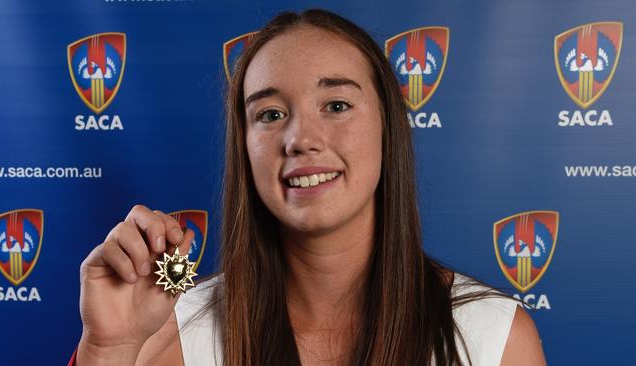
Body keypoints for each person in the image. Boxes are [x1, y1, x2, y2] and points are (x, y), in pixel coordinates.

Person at [74, 9, 547, 366]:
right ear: (244, 147)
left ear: (389, 128)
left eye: (337, 105)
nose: (300, 139)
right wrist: (109, 348)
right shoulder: (170, 334)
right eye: (270, 114)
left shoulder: (493, 336)